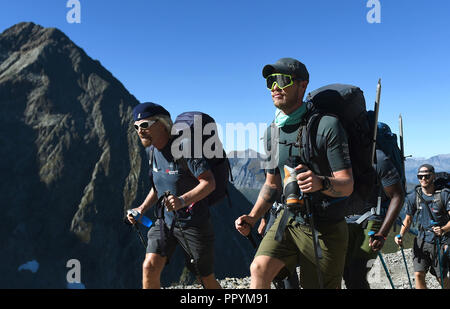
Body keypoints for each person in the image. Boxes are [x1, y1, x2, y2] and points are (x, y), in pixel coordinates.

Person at [235, 57, 354, 289]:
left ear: (303, 85)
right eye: (270, 82)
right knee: (258, 269)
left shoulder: (327, 126)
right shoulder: (271, 133)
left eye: (282, 80)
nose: (275, 87)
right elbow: (272, 184)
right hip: (288, 220)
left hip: (325, 227)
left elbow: (347, 184)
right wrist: (253, 216)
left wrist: (320, 182)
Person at [127, 102, 222, 289]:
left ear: (162, 124)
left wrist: (181, 201)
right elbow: (159, 186)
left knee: (205, 279)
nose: (139, 130)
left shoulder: (185, 148)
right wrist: (141, 209)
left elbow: (209, 182)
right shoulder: (152, 150)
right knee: (149, 267)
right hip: (165, 222)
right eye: (136, 127)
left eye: (145, 125)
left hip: (194, 223)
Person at [343, 147, 405, 289]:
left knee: (357, 274)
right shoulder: (336, 154)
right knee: (347, 275)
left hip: (372, 219)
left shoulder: (378, 157)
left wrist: (382, 234)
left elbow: (398, 195)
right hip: (344, 220)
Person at [396, 164, 450, 289]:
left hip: (441, 241)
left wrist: (443, 229)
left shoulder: (444, 195)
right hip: (421, 240)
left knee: (440, 276)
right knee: (418, 274)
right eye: (420, 176)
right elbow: (408, 219)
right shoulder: (413, 196)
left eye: (426, 176)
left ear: (433, 176)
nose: (423, 179)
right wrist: (401, 235)